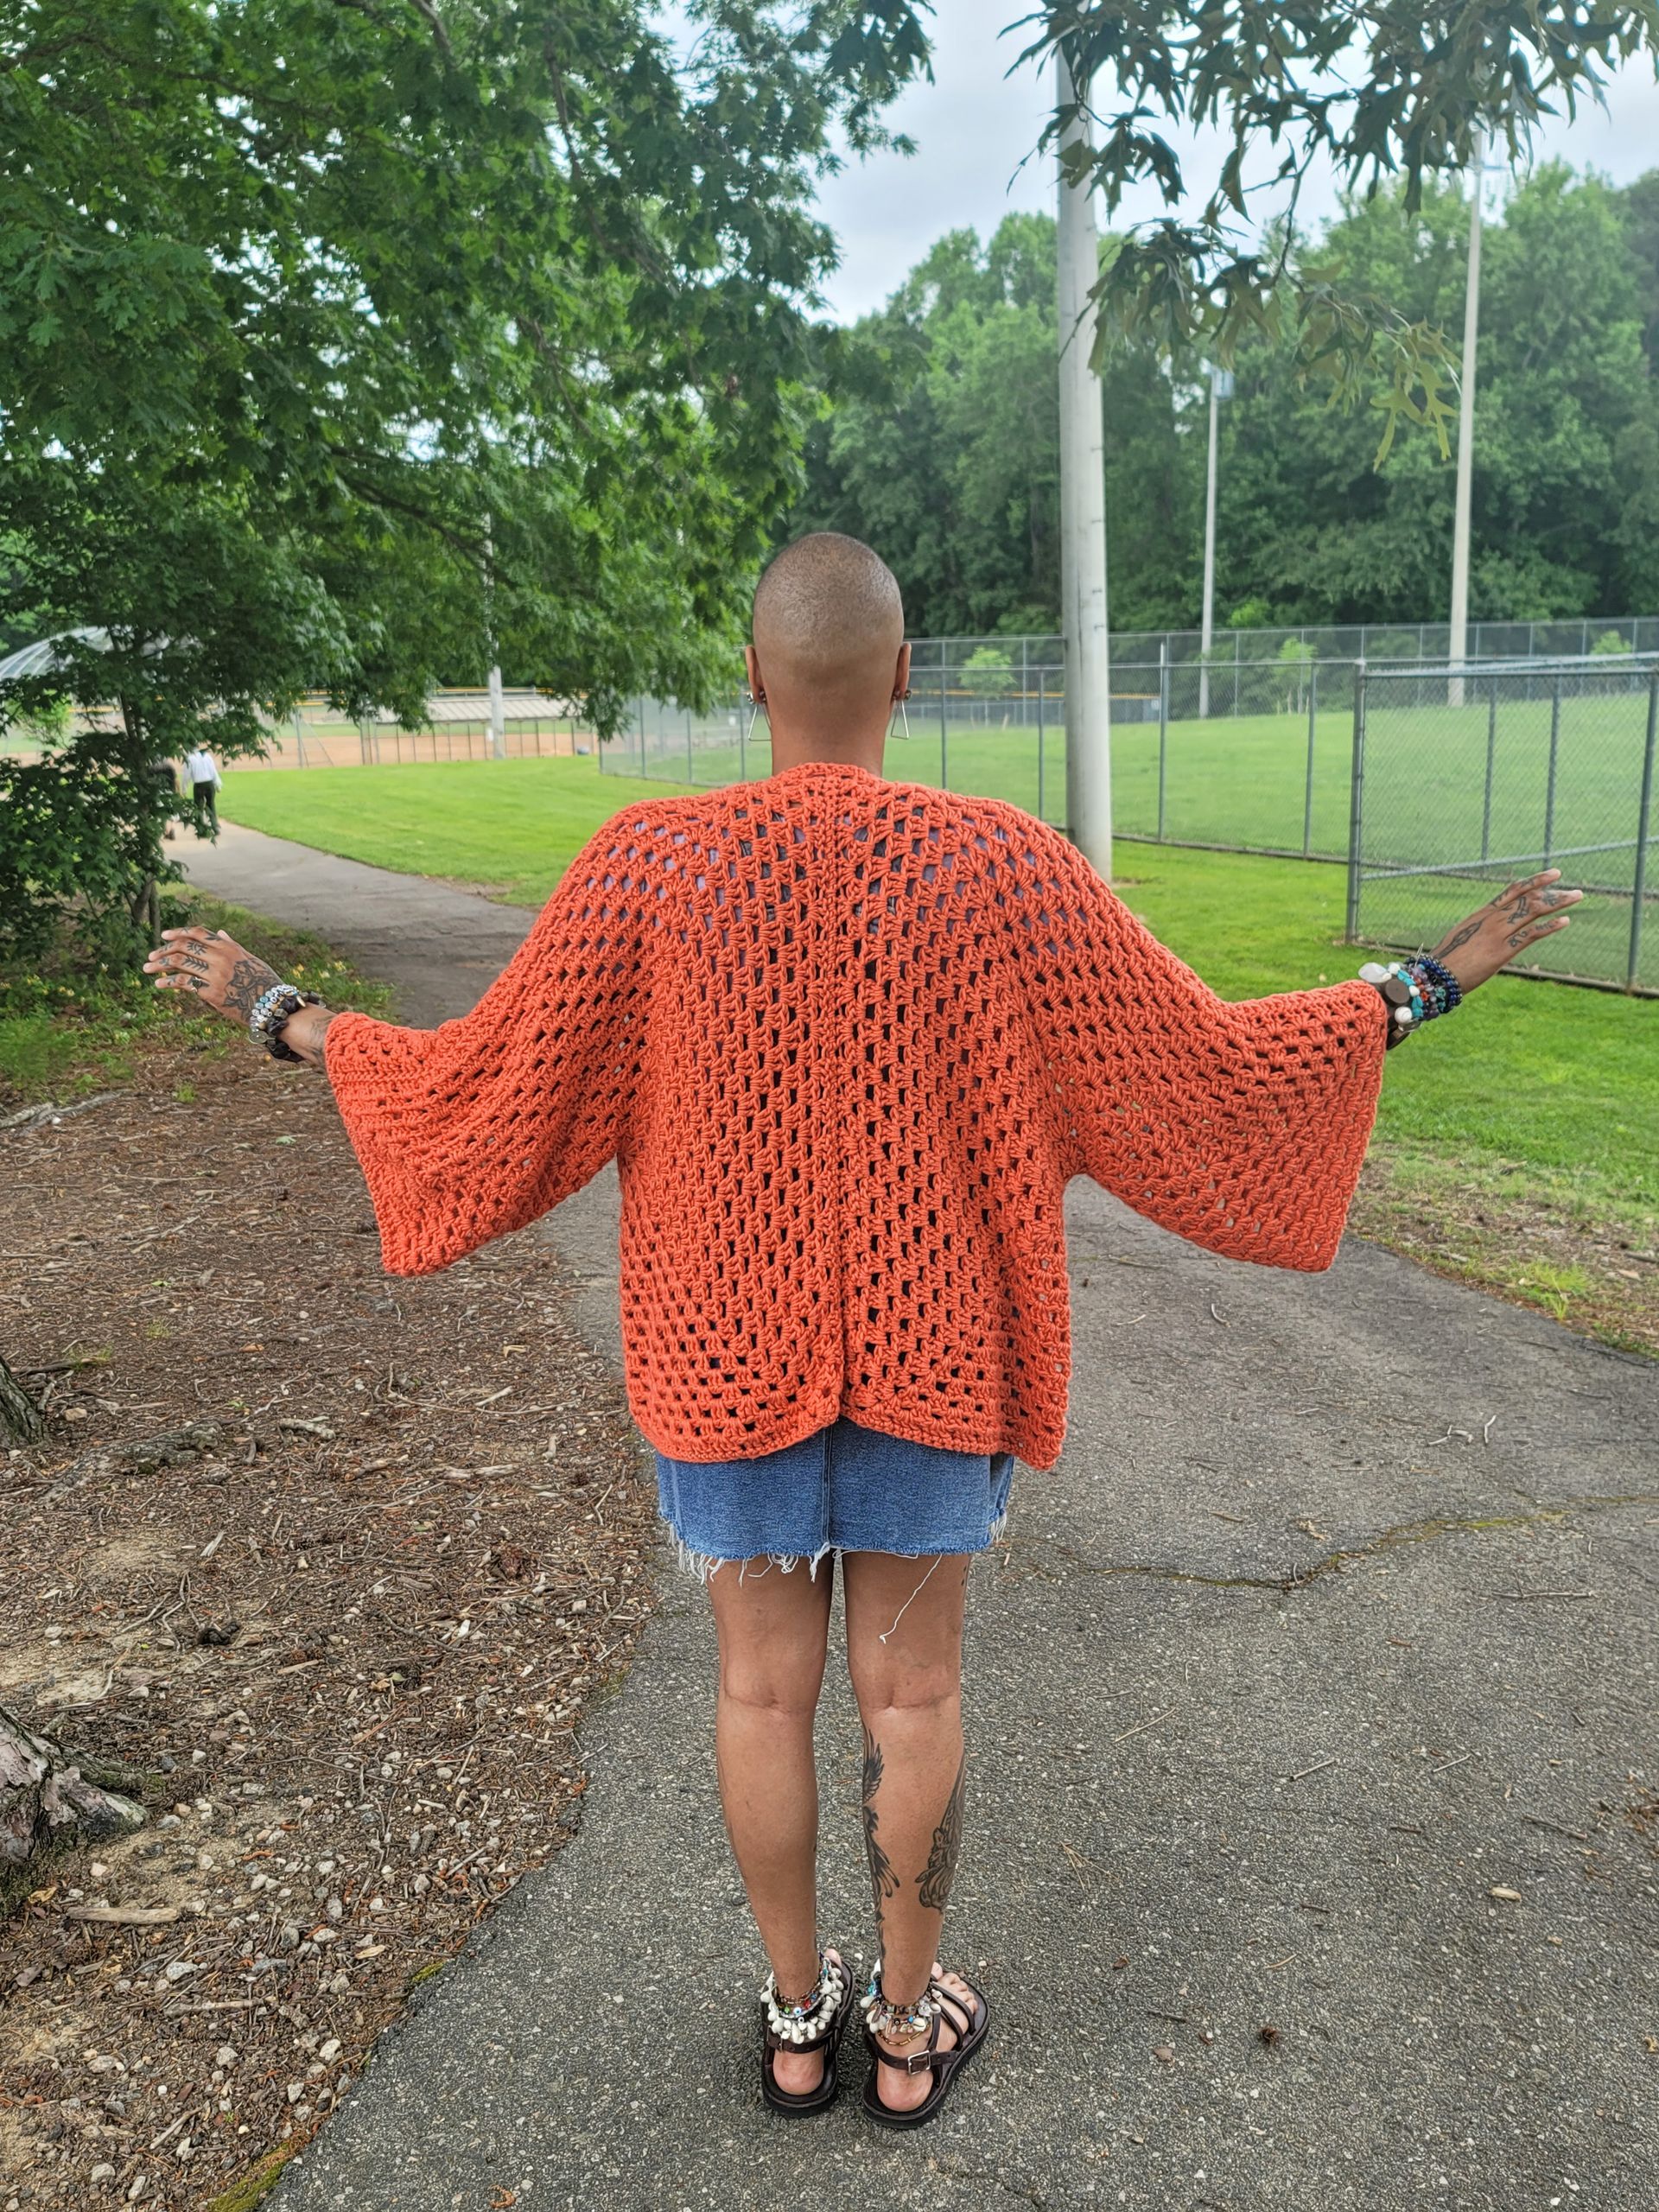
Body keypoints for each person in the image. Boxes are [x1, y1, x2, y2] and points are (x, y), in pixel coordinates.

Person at [143, 534, 1580, 2130]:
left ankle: (794, 2027)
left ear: (753, 676)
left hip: (720, 1368)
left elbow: (487, 1087)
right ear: (906, 674)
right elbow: (1204, 1068)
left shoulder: (649, 871)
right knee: (914, 1699)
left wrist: (289, 1018)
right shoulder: (1009, 868)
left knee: (762, 1696)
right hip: (937, 1363)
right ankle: (907, 2035)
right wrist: (1418, 989)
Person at [184, 742, 221, 835]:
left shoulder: (190, 758)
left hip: (199, 785)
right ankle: (215, 826)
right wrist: (217, 784)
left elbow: (186, 776)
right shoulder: (207, 756)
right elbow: (213, 770)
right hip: (209, 783)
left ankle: (201, 830)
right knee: (211, 805)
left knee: (198, 807)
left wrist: (184, 788)